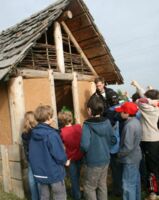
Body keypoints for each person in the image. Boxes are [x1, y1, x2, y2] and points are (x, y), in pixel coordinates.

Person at [29, 105, 67, 200]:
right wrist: (65, 160)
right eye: (52, 115)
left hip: (40, 173)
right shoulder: (51, 134)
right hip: (54, 173)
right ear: (49, 116)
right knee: (59, 196)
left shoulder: (33, 133)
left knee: (44, 197)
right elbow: (59, 155)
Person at [80, 96, 113, 200]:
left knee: (90, 187)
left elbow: (84, 145)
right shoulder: (107, 122)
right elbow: (112, 139)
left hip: (93, 161)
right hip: (105, 159)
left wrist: (82, 151)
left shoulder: (87, 125)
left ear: (89, 110)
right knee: (102, 185)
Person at [131, 81, 159, 198]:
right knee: (155, 165)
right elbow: (144, 98)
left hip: (149, 140)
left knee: (151, 168)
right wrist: (137, 85)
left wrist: (139, 90)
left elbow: (139, 100)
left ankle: (154, 192)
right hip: (155, 139)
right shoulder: (155, 106)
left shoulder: (147, 108)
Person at [115, 102, 142, 200]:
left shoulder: (129, 126)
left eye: (121, 111)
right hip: (136, 157)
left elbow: (128, 147)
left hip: (129, 159)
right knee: (135, 182)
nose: (120, 113)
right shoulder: (136, 121)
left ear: (127, 113)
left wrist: (119, 154)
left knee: (128, 185)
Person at [58, 111, 83, 200]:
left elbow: (62, 147)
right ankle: (80, 193)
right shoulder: (78, 127)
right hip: (81, 156)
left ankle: (77, 196)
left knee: (74, 179)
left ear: (61, 121)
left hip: (70, 159)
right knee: (81, 177)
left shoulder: (62, 132)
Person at [21, 111, 39, 200]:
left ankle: (34, 198)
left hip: (30, 158)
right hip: (39, 158)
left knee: (32, 179)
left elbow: (26, 148)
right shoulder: (37, 131)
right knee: (39, 179)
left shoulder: (24, 133)